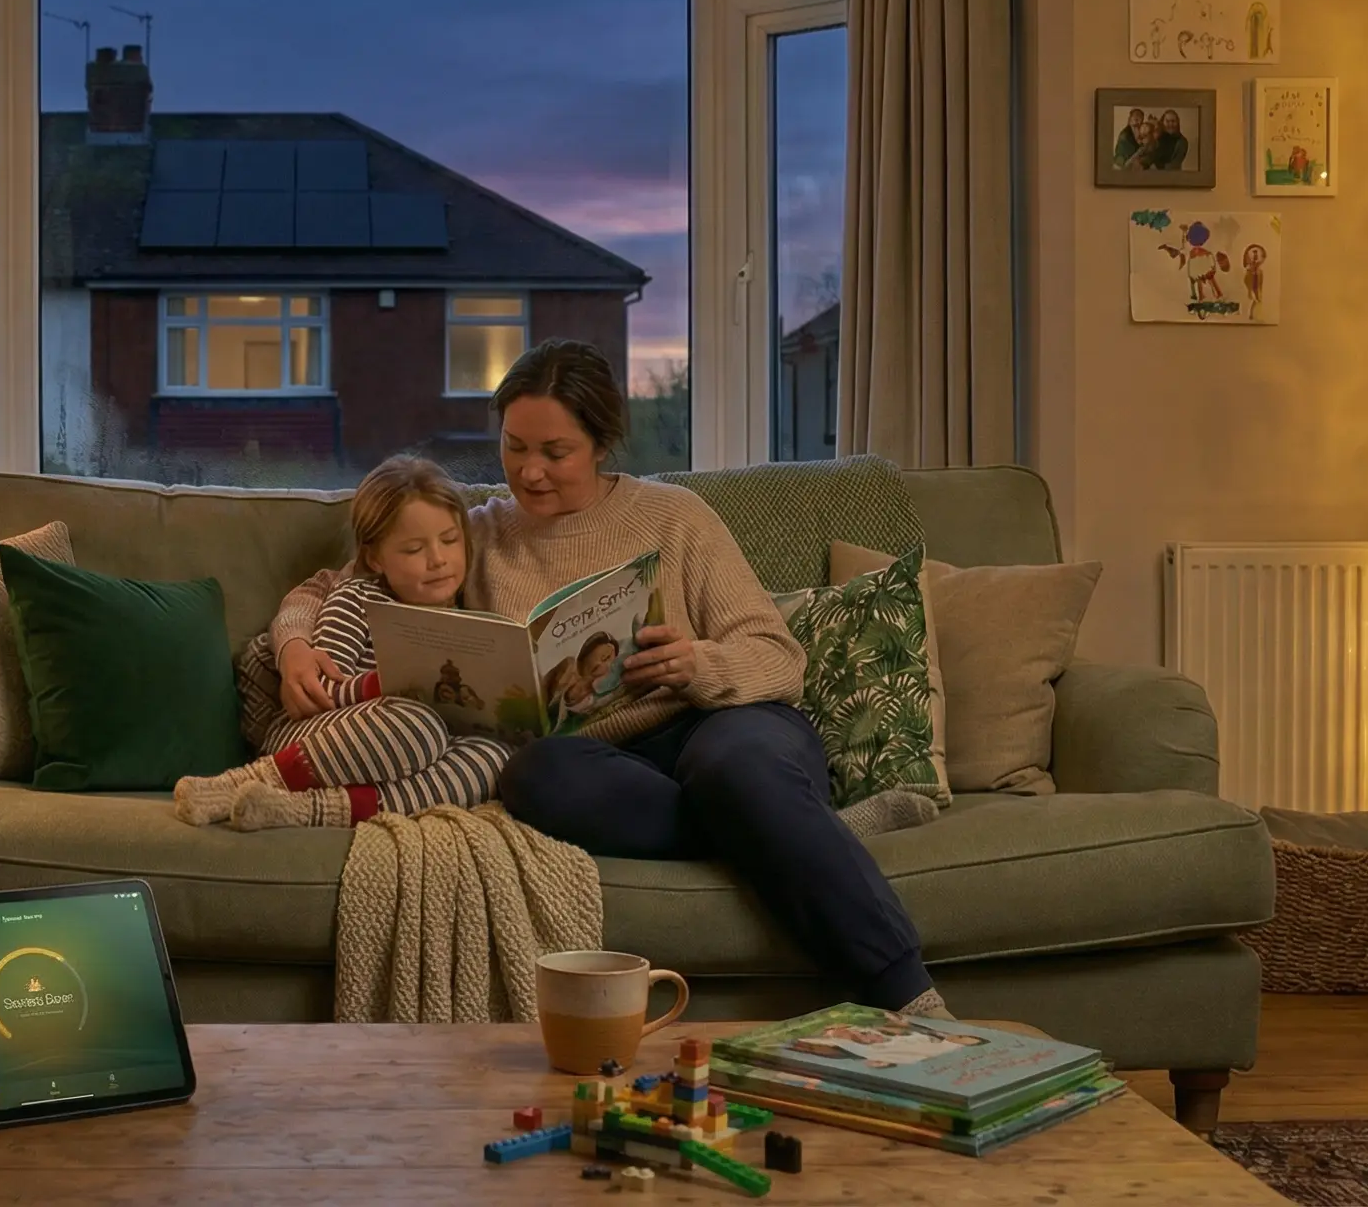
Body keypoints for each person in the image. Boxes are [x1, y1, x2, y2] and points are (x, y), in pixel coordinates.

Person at [271, 341, 948, 1017]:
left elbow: (779, 656)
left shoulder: (675, 518)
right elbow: (343, 581)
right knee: (533, 775)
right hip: (604, 766)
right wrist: (294, 644)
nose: (530, 473)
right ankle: (801, 825)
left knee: (735, 773)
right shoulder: (476, 534)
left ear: (601, 444)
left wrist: (698, 665)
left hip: (724, 727)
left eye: (555, 453)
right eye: (515, 447)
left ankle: (909, 997)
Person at [179, 455, 512, 831]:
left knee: (493, 758)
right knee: (418, 725)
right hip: (317, 733)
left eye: (450, 541)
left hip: (411, 755)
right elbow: (318, 689)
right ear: (376, 557)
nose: (438, 559)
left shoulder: (471, 620)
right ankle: (237, 783)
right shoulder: (357, 599)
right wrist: (389, 685)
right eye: (414, 550)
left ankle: (302, 810)